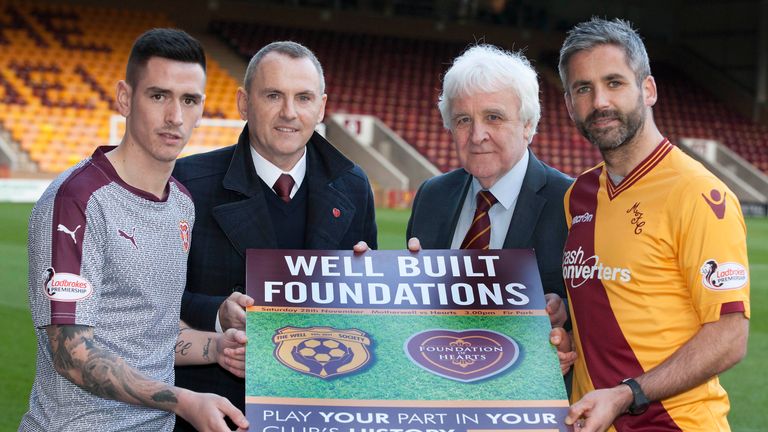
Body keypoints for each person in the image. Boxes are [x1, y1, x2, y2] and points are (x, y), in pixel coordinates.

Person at [20, 29, 249, 432]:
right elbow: (71, 351)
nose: (175, 116)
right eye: (158, 96)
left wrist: (217, 347)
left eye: (189, 100)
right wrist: (184, 401)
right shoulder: (78, 200)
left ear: (202, 109)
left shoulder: (181, 203)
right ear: (125, 98)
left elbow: (152, 331)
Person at [172, 40, 377, 429]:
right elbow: (150, 302)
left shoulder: (352, 186)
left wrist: (378, 282)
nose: (289, 113)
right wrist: (216, 313)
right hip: (219, 414)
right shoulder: (189, 184)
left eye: (303, 98)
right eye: (273, 95)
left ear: (321, 106)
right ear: (244, 103)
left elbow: (368, 318)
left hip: (319, 406)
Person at [558, 18, 750, 431]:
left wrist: (628, 393)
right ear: (570, 104)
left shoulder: (697, 193)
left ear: (648, 90)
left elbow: (730, 336)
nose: (599, 102)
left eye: (614, 82)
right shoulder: (578, 195)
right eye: (583, 88)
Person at [405, 44, 573, 331]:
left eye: (493, 117)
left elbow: (597, 306)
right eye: (463, 120)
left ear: (528, 125)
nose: (477, 136)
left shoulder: (570, 202)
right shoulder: (432, 196)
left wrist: (565, 311)